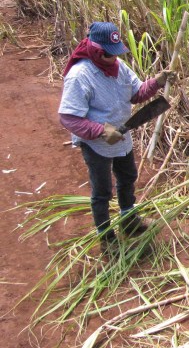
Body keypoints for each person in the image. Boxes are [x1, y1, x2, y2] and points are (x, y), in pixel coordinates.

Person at [58, 21, 176, 255]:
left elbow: (136, 94)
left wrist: (157, 82)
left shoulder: (119, 67)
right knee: (102, 191)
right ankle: (107, 238)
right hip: (97, 144)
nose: (114, 58)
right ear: (96, 50)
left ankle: (129, 221)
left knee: (128, 176)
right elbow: (69, 118)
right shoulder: (79, 75)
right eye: (109, 55)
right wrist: (101, 131)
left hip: (122, 135)